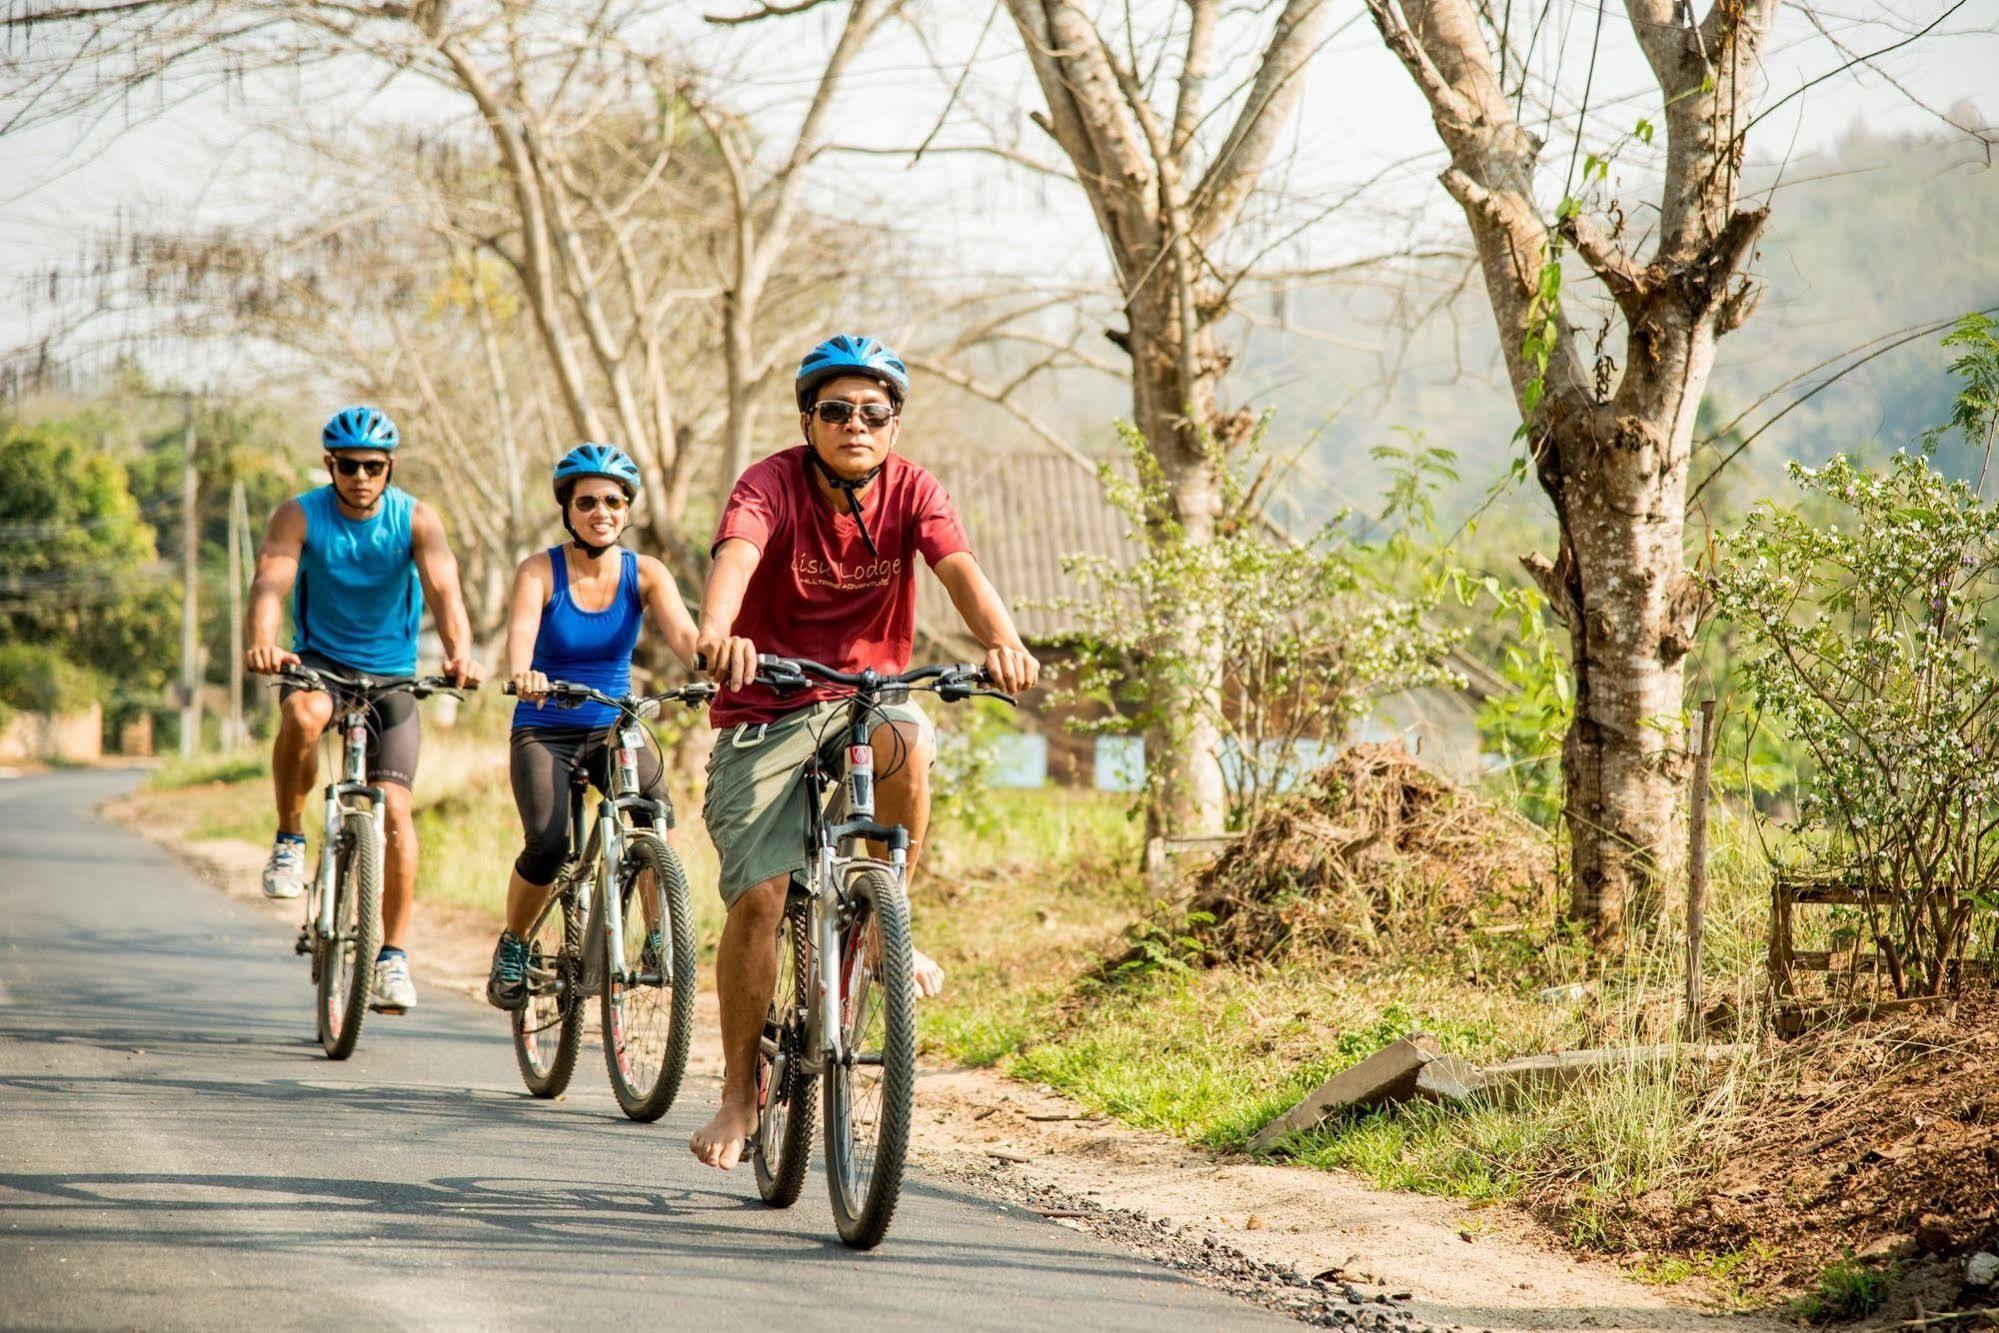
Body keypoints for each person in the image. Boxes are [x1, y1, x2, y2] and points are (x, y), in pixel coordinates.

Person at [689, 333, 1040, 1170]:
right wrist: (715, 632)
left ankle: (889, 919)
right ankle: (741, 1092)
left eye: (874, 413)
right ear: (808, 418)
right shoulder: (767, 483)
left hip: (862, 697)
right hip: (767, 702)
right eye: (837, 410)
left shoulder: (913, 488)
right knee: (764, 898)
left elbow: (959, 569)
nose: (856, 424)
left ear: (893, 424)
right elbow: (737, 554)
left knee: (907, 736)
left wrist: (1005, 641)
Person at [244, 405, 483, 1015]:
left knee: (397, 811)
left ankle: (394, 959)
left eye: (373, 466)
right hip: (320, 663)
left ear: (389, 467)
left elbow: (444, 588)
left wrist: (460, 655)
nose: (360, 476)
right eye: (348, 465)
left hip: (392, 676)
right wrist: (263, 641)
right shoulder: (300, 514)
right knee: (302, 717)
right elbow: (271, 580)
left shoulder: (415, 518)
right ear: (331, 465)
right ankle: (290, 839)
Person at [484, 443, 701, 1010]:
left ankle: (658, 937)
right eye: (587, 502)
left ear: (627, 509)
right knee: (549, 844)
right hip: (545, 726)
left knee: (651, 815)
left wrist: (711, 666)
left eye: (612, 500)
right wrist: (523, 673)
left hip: (614, 727)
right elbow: (521, 636)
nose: (600, 511)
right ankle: (514, 944)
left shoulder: (645, 572)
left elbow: (685, 638)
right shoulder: (539, 570)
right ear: (567, 509)